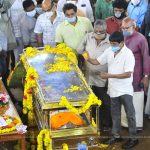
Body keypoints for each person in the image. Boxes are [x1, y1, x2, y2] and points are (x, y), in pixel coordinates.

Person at [83, 31, 138, 149]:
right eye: (111, 43)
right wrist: (87, 57)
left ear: (122, 43)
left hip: (125, 89)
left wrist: (109, 76)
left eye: (114, 44)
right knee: (115, 114)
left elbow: (128, 74)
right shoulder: (109, 50)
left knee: (130, 115)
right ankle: (116, 135)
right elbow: (97, 61)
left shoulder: (128, 54)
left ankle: (134, 138)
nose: (112, 46)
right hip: (113, 89)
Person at [77, 20, 112, 131]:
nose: (98, 33)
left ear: (105, 31)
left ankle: (106, 124)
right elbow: (79, 49)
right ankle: (91, 123)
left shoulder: (110, 40)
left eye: (101, 32)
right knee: (90, 101)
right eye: (96, 31)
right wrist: (84, 54)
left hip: (103, 78)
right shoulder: (88, 37)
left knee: (104, 102)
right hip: (89, 76)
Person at [122, 17, 150, 129]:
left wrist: (146, 76)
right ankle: (125, 123)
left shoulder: (141, 39)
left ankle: (137, 125)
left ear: (134, 27)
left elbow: (146, 58)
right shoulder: (122, 36)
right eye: (122, 28)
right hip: (124, 74)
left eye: (126, 28)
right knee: (125, 98)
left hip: (137, 73)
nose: (124, 30)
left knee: (137, 99)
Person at [0, 0, 17, 78]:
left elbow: (6, 19)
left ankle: (6, 77)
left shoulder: (4, 4)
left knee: (6, 58)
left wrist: (2, 9)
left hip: (5, 37)